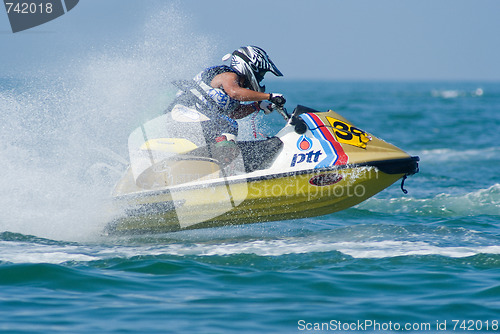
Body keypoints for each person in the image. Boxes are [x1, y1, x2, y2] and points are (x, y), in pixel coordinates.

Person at [173, 46, 286, 146]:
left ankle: (223, 164)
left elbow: (234, 113)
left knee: (225, 123)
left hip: (191, 121)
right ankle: (226, 166)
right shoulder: (229, 75)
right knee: (228, 125)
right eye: (261, 74)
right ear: (251, 67)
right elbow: (234, 92)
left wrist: (256, 106)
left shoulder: (232, 88)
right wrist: (269, 96)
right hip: (180, 115)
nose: (261, 78)